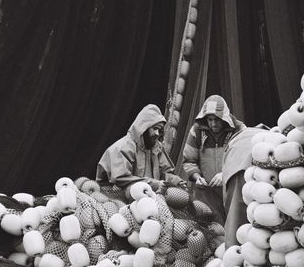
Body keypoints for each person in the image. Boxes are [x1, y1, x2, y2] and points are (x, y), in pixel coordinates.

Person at [96, 104, 186, 198]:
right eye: (154, 128)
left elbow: (165, 171)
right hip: (115, 198)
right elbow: (121, 179)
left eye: (159, 130)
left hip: (147, 197)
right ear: (144, 127)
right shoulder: (123, 147)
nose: (157, 134)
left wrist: (176, 181)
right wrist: (154, 184)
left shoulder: (156, 147)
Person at [182, 95, 245, 225]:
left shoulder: (238, 129)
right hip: (206, 192)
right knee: (212, 229)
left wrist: (225, 174)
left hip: (232, 190)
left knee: (235, 226)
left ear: (225, 118)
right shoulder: (197, 131)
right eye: (210, 119)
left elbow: (244, 158)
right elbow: (189, 160)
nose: (213, 124)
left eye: (217, 119)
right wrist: (196, 176)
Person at [222, 126, 269, 248]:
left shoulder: (237, 139)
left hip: (237, 166)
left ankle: (233, 252)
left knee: (235, 218)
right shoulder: (269, 135)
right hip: (252, 166)